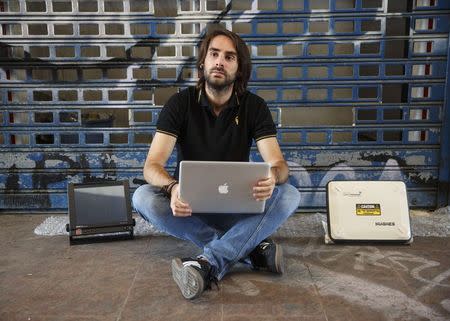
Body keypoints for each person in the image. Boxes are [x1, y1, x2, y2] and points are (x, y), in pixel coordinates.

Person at [132, 28, 300, 300]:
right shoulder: (179, 104)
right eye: (214, 54)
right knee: (142, 197)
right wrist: (173, 188)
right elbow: (151, 165)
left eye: (229, 57)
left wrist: (271, 176)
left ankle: (208, 263)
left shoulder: (254, 106)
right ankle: (249, 249)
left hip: (237, 208)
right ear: (203, 62)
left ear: (240, 68)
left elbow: (279, 164)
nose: (220, 61)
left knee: (289, 194)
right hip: (188, 207)